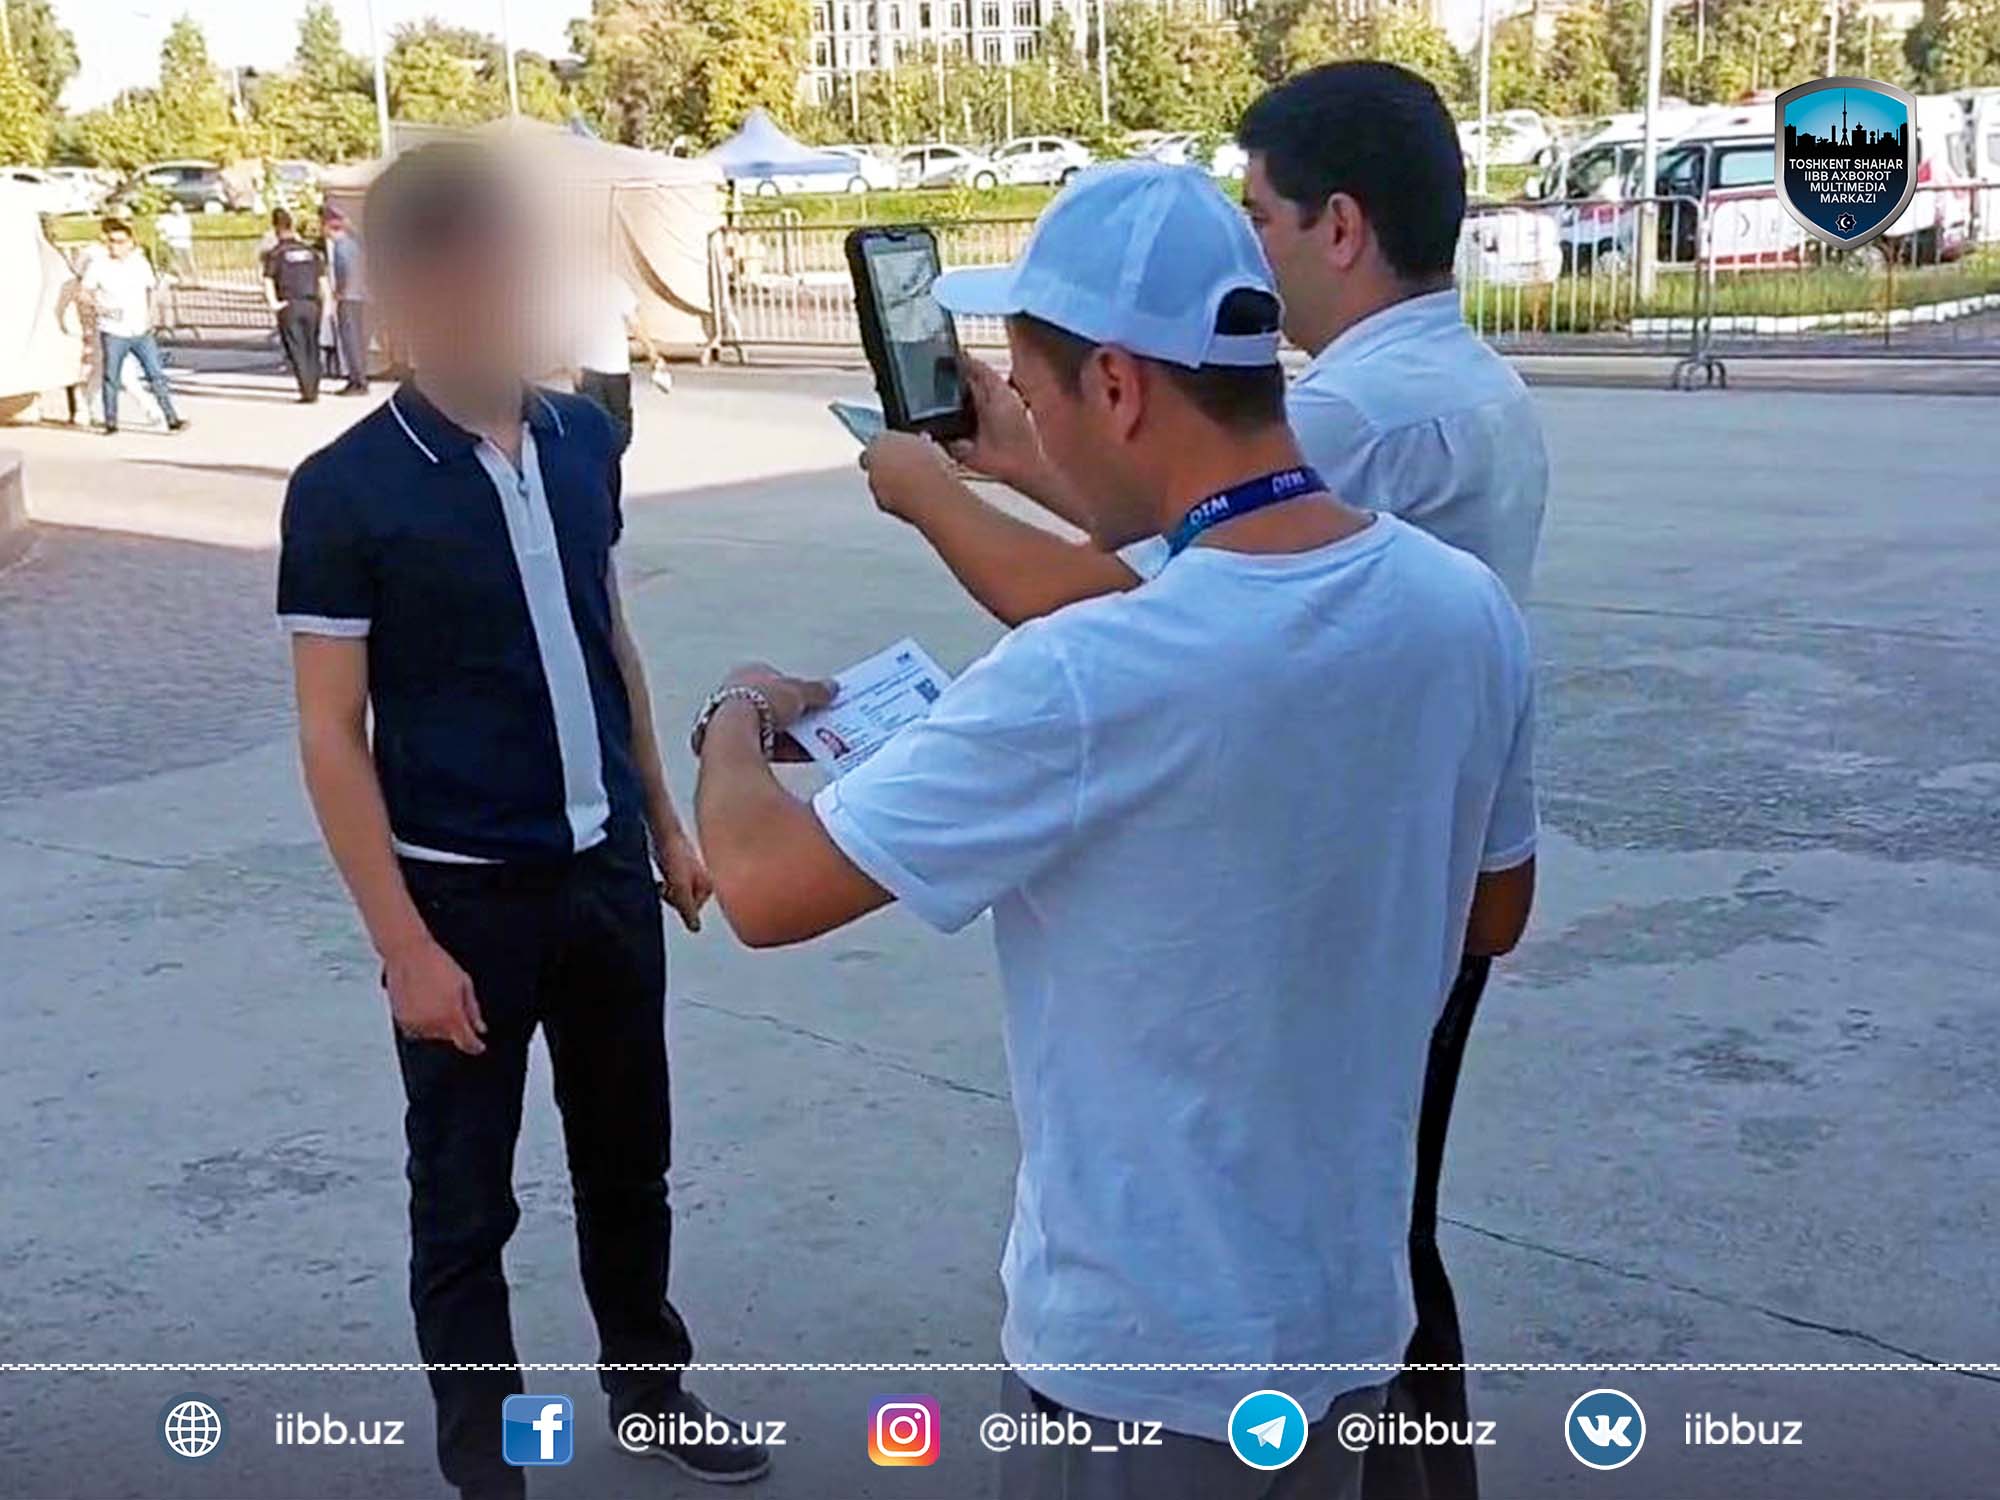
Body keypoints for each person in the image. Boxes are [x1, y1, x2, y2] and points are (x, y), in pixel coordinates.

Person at [689, 163, 1537, 1500]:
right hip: (1346, 1332)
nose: (1030, 423)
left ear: (1119, 387)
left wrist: (738, 712)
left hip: (1139, 1369)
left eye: (1036, 396)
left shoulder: (1088, 676)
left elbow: (760, 886)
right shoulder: (1460, 608)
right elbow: (1494, 910)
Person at [277, 143, 768, 1500]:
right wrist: (405, 947)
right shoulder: (347, 491)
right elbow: (329, 734)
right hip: (459, 901)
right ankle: (487, 1463)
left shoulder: (579, 439)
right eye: (470, 275)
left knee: (629, 1166)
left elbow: (608, 637)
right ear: (408, 290)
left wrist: (662, 821)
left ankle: (649, 1390)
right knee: (464, 1204)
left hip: (602, 874)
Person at [78, 218, 186, 437]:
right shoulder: (98, 266)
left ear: (130, 243)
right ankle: (111, 422)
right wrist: (100, 308)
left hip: (140, 329)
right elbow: (83, 293)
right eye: (110, 241)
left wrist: (152, 316)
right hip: (113, 330)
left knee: (155, 374)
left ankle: (171, 418)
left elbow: (150, 290)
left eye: (119, 242)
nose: (114, 246)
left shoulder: (140, 264)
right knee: (111, 377)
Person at [573, 269, 662, 454]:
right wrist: (571, 366)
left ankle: (610, 462)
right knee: (593, 428)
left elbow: (635, 322)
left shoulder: (616, 285)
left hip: (616, 368)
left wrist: (651, 351)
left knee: (621, 429)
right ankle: (600, 464)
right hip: (589, 368)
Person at [263, 207, 327, 403]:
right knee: (312, 346)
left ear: (276, 228)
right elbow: (322, 279)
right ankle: (315, 387)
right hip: (312, 303)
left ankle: (307, 391)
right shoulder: (311, 252)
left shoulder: (276, 253)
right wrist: (324, 303)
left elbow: (268, 280)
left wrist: (274, 303)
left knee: (297, 348)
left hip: (289, 304)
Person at [324, 205, 371, 395]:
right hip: (361, 296)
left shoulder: (341, 246)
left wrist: (340, 291)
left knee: (350, 340)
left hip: (349, 297)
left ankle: (357, 381)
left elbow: (345, 271)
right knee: (358, 339)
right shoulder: (354, 244)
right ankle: (360, 377)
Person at [158, 201, 196, 279]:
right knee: (186, 260)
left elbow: (158, 228)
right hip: (181, 242)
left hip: (177, 242)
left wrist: (163, 236)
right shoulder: (185, 218)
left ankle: (185, 276)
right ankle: (190, 276)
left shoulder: (167, 218)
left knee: (180, 261)